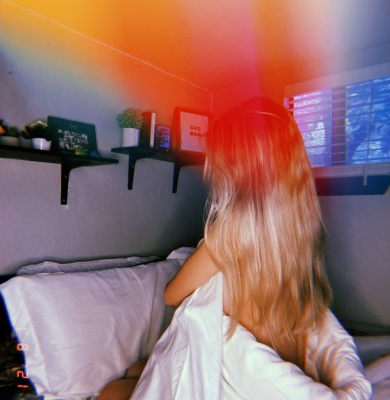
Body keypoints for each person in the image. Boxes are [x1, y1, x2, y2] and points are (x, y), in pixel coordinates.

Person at [98, 96, 371, 399]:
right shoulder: (300, 230)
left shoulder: (228, 235)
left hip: (238, 376)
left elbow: (171, 295)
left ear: (234, 168)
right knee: (139, 368)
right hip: (279, 358)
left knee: (112, 389)